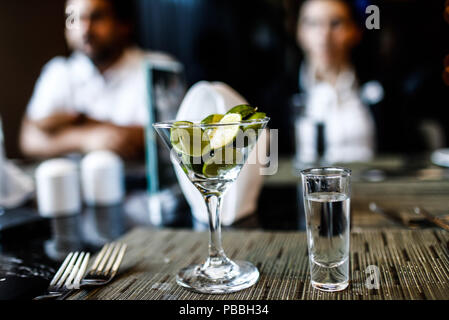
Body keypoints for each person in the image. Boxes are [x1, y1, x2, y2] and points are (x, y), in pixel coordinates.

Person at [20, 0, 174, 160]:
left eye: (97, 17)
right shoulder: (59, 71)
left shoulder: (159, 67)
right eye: (74, 18)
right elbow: (30, 140)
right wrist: (86, 139)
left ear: (124, 24)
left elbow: (167, 137)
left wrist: (77, 121)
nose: (84, 29)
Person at [295, 0, 376, 163]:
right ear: (299, 32)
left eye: (336, 23)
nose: (325, 35)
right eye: (313, 23)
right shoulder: (278, 96)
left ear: (354, 31)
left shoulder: (380, 89)